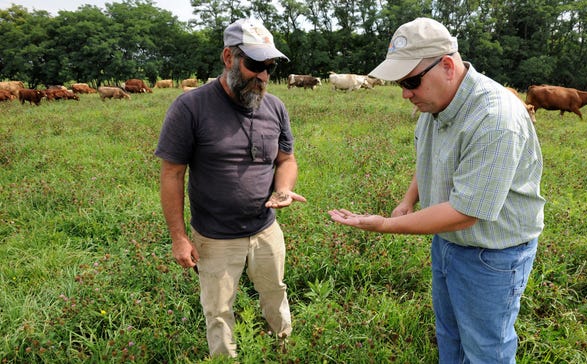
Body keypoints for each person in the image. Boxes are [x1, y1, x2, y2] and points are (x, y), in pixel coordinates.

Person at [328, 17, 545, 363]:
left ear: (446, 65)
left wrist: (384, 224)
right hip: (446, 242)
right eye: (401, 82)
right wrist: (407, 200)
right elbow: (429, 157)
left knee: (486, 348)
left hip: (492, 255)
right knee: (450, 335)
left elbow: (465, 212)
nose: (405, 93)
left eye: (411, 81)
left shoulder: (495, 118)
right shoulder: (433, 105)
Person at [155, 18, 306, 358]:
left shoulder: (274, 107)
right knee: (219, 309)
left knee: (275, 293)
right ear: (228, 58)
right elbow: (172, 173)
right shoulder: (190, 107)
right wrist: (179, 237)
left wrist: (283, 189)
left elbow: (287, 160)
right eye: (255, 65)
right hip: (215, 237)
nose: (264, 76)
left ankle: (282, 351)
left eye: (269, 66)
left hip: (266, 230)